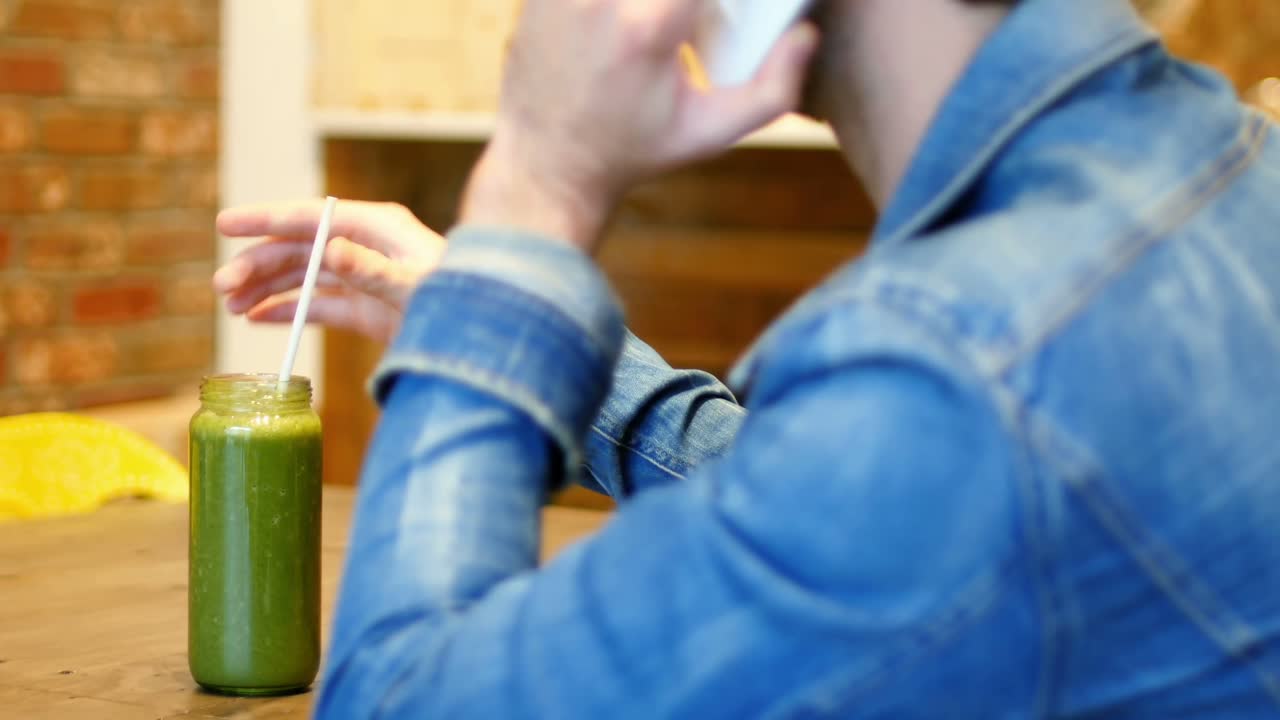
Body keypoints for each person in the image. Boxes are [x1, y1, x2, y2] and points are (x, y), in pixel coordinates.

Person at [214, 0, 1280, 716]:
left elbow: (398, 698)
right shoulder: (1238, 169)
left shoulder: (958, 375)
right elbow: (860, 508)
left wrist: (531, 193)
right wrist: (507, 327)